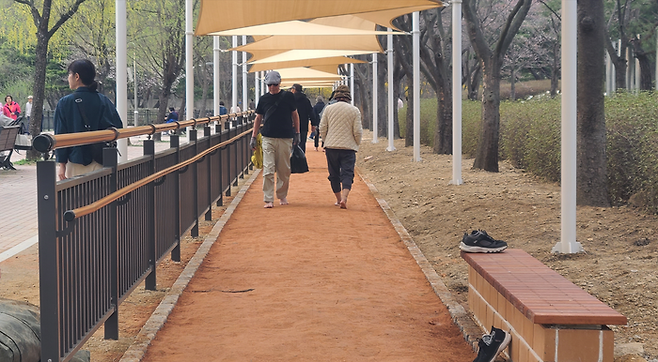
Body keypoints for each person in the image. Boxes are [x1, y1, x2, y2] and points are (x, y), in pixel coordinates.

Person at [54, 59, 123, 181]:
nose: (68, 78)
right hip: (101, 159)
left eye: (69, 74)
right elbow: (117, 126)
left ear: (76, 76)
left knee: (78, 198)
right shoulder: (103, 100)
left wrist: (62, 164)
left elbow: (61, 135)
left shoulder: (65, 103)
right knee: (101, 196)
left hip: (76, 161)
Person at [250, 70, 300, 208]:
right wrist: (253, 137)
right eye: (269, 85)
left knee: (283, 169)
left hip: (285, 137)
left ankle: (282, 195)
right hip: (268, 137)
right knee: (268, 169)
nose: (272, 87)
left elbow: (295, 114)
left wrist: (297, 132)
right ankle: (268, 198)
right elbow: (258, 118)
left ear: (280, 83)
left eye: (275, 84)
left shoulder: (288, 96)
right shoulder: (264, 99)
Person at [319, 85, 362, 209]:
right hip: (348, 147)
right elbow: (358, 131)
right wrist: (356, 143)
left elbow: (322, 127)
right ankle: (344, 197)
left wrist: (326, 140)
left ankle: (338, 199)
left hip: (331, 147)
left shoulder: (328, 109)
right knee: (347, 173)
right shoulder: (354, 110)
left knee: (334, 174)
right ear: (348, 97)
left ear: (336, 96)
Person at [290, 83, 317, 153]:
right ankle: (300, 160)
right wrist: (313, 124)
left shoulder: (290, 99)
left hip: (291, 125)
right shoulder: (306, 100)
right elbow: (311, 112)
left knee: (291, 144)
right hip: (303, 125)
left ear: (294, 90)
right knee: (302, 144)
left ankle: (292, 161)